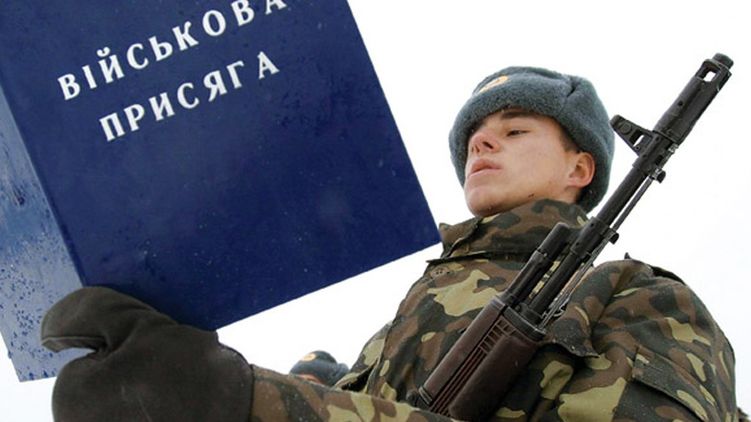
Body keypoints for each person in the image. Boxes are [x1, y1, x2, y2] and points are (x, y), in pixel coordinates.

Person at [41, 66, 739, 421]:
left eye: (515, 129)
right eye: (474, 137)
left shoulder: (639, 297)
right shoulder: (390, 335)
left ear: (580, 168)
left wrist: (241, 400)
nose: (482, 143)